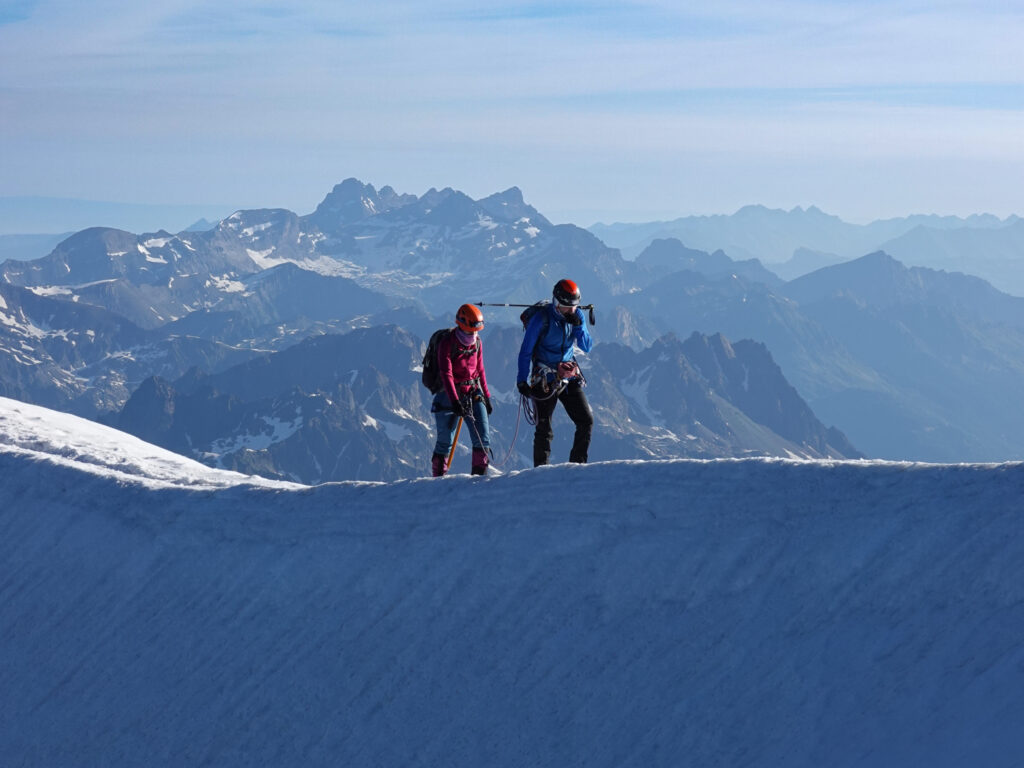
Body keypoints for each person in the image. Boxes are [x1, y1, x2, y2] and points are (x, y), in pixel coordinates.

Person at [517, 278, 593, 466]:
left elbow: (586, 346)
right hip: (544, 376)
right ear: (558, 303)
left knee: (586, 420)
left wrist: (578, 326)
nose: (572, 310)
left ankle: (578, 465)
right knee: (544, 429)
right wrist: (521, 380)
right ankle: (541, 472)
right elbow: (525, 351)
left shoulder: (577, 316)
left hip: (567, 374)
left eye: (575, 306)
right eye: (568, 307)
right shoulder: (541, 319)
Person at [431, 303, 493, 477]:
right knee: (445, 442)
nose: (474, 334)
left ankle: (479, 478)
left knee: (483, 437)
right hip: (449, 394)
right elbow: (446, 374)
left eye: (476, 331)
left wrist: (486, 397)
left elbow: (480, 370)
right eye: (471, 331)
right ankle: (438, 479)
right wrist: (455, 401)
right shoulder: (447, 343)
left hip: (473, 392)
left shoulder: (477, 343)